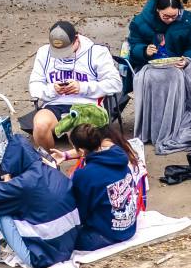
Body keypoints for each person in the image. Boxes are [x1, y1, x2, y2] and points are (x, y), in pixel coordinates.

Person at [0, 125, 80, 268]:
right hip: (69, 245)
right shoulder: (51, 169)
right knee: (6, 206)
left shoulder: (21, 184)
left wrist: (7, 183)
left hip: (42, 257)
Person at [61, 104, 145, 252]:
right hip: (129, 227)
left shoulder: (85, 175)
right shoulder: (118, 153)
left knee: (59, 239)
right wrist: (66, 155)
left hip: (105, 235)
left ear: (80, 151)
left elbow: (79, 212)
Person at [27, 21, 123, 109]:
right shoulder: (44, 52)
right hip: (54, 104)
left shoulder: (97, 52)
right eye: (57, 51)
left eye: (66, 50)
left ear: (76, 39)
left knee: (82, 127)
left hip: (88, 105)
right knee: (41, 124)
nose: (63, 55)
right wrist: (52, 90)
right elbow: (34, 86)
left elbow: (115, 84)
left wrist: (82, 88)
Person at [125, 0, 191, 69]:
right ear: (157, 10)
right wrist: (145, 51)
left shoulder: (187, 19)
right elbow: (133, 47)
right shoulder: (139, 22)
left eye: (174, 16)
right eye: (166, 16)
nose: (170, 20)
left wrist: (187, 59)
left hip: (179, 67)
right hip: (149, 67)